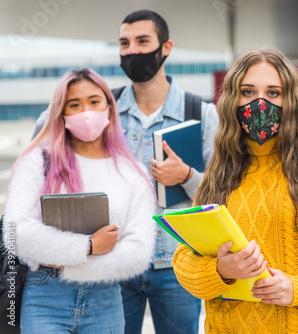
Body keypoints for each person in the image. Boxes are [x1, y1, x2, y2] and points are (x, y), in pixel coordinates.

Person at [32, 10, 218, 333]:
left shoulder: (201, 114)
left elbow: (221, 198)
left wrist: (187, 176)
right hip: (116, 263)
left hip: (177, 265)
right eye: (124, 43)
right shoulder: (103, 109)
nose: (132, 51)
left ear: (166, 47)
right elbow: (49, 133)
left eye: (142, 41)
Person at [172, 47, 298, 333]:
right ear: (233, 99)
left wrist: (297, 287)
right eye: (248, 92)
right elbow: (183, 260)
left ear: (289, 99)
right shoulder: (219, 171)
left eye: (273, 93)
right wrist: (220, 271)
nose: (260, 103)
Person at [2, 68, 157, 333]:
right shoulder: (37, 161)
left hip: (105, 303)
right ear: (61, 114)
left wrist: (65, 259)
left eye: (94, 101)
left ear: (109, 108)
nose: (86, 112)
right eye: (74, 104)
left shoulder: (133, 173)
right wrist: (88, 246)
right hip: (44, 298)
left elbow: (139, 253)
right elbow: (16, 233)